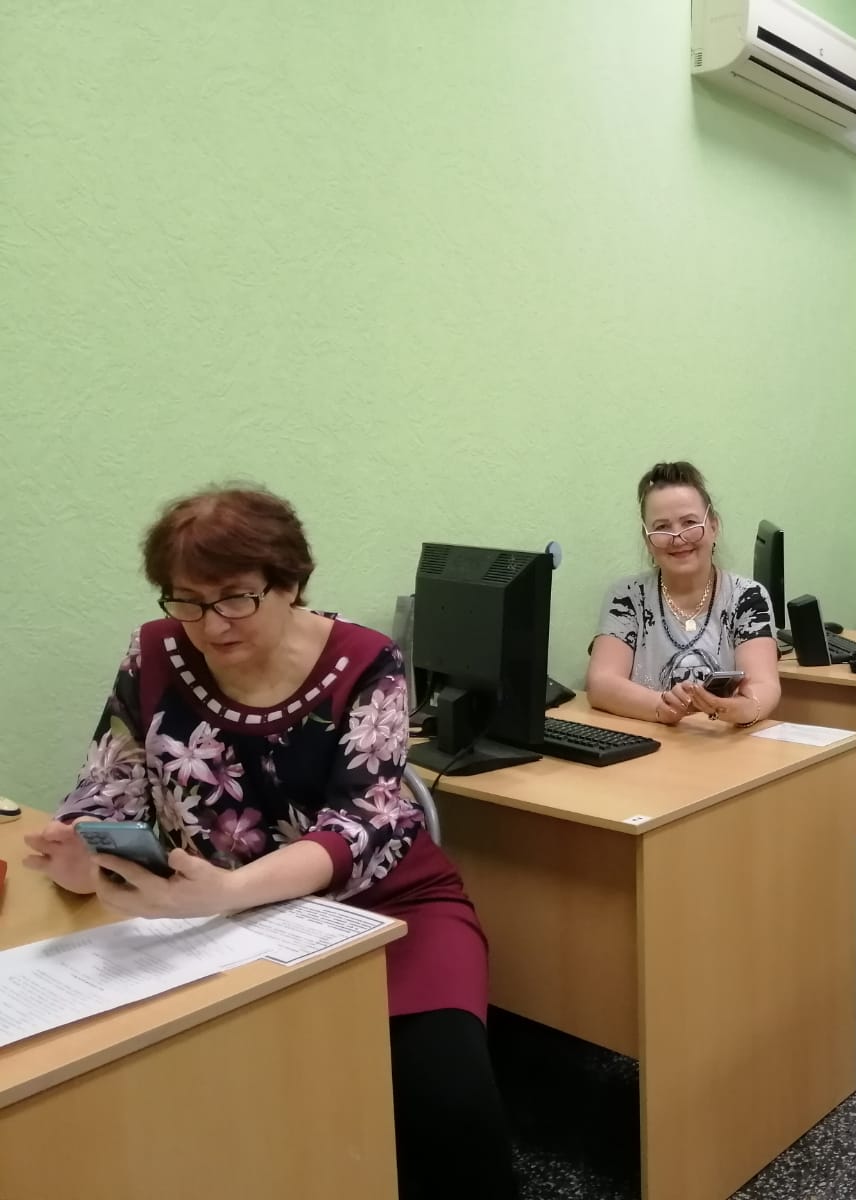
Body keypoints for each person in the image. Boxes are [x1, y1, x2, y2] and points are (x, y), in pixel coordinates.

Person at [21, 488, 516, 1200]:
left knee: (450, 1108)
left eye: (234, 598)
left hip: (387, 910)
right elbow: (109, 786)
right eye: (187, 601)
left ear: (289, 583)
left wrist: (226, 891)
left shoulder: (365, 659)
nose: (210, 624)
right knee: (210, 1114)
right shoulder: (155, 650)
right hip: (218, 920)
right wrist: (80, 855)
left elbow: (358, 824)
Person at [588, 460, 780, 726]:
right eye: (662, 527)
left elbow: (764, 684)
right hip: (650, 742)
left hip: (722, 742)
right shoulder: (627, 597)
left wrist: (741, 708)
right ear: (647, 539)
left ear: (713, 526)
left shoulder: (747, 597)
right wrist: (662, 707)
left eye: (689, 522)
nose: (677, 537)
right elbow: (601, 683)